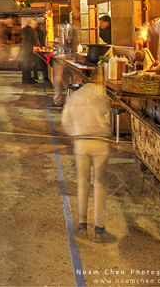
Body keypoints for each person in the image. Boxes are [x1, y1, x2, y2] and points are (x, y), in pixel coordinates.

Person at [61, 67, 116, 243]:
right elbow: (108, 117)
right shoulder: (101, 94)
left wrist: (75, 133)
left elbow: (65, 121)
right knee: (99, 185)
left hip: (81, 143)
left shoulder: (76, 96)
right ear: (99, 78)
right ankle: (99, 229)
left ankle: (82, 225)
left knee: (82, 184)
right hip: (99, 143)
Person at [20, 19, 40, 84]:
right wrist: (33, 48)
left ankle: (28, 78)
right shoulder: (28, 30)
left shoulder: (27, 30)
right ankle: (27, 79)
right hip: (28, 51)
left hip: (27, 50)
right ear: (31, 24)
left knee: (27, 65)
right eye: (35, 24)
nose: (36, 26)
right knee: (27, 65)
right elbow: (29, 41)